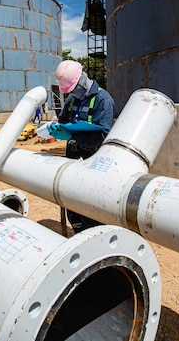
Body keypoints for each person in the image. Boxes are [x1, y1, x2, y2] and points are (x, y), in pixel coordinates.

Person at [50, 59, 115, 233]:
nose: (72, 93)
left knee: (91, 209)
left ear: (82, 80)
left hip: (94, 164)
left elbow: (102, 136)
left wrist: (72, 135)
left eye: (73, 89)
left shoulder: (103, 100)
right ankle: (78, 231)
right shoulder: (71, 100)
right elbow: (63, 120)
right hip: (73, 162)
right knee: (73, 205)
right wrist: (56, 128)